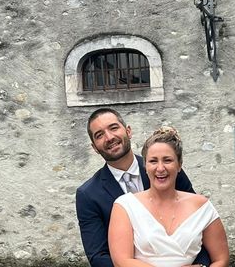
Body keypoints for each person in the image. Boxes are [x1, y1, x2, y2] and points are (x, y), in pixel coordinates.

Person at [76, 108, 211, 267]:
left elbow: (197, 224)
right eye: (99, 135)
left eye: (113, 128)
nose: (109, 137)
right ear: (94, 147)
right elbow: (99, 257)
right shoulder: (88, 194)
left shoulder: (166, 170)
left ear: (128, 131)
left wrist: (201, 265)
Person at [109, 127, 229, 267]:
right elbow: (122, 261)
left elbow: (222, 259)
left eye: (167, 160)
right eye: (153, 161)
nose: (160, 168)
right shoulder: (125, 206)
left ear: (179, 165)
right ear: (145, 167)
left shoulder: (202, 206)